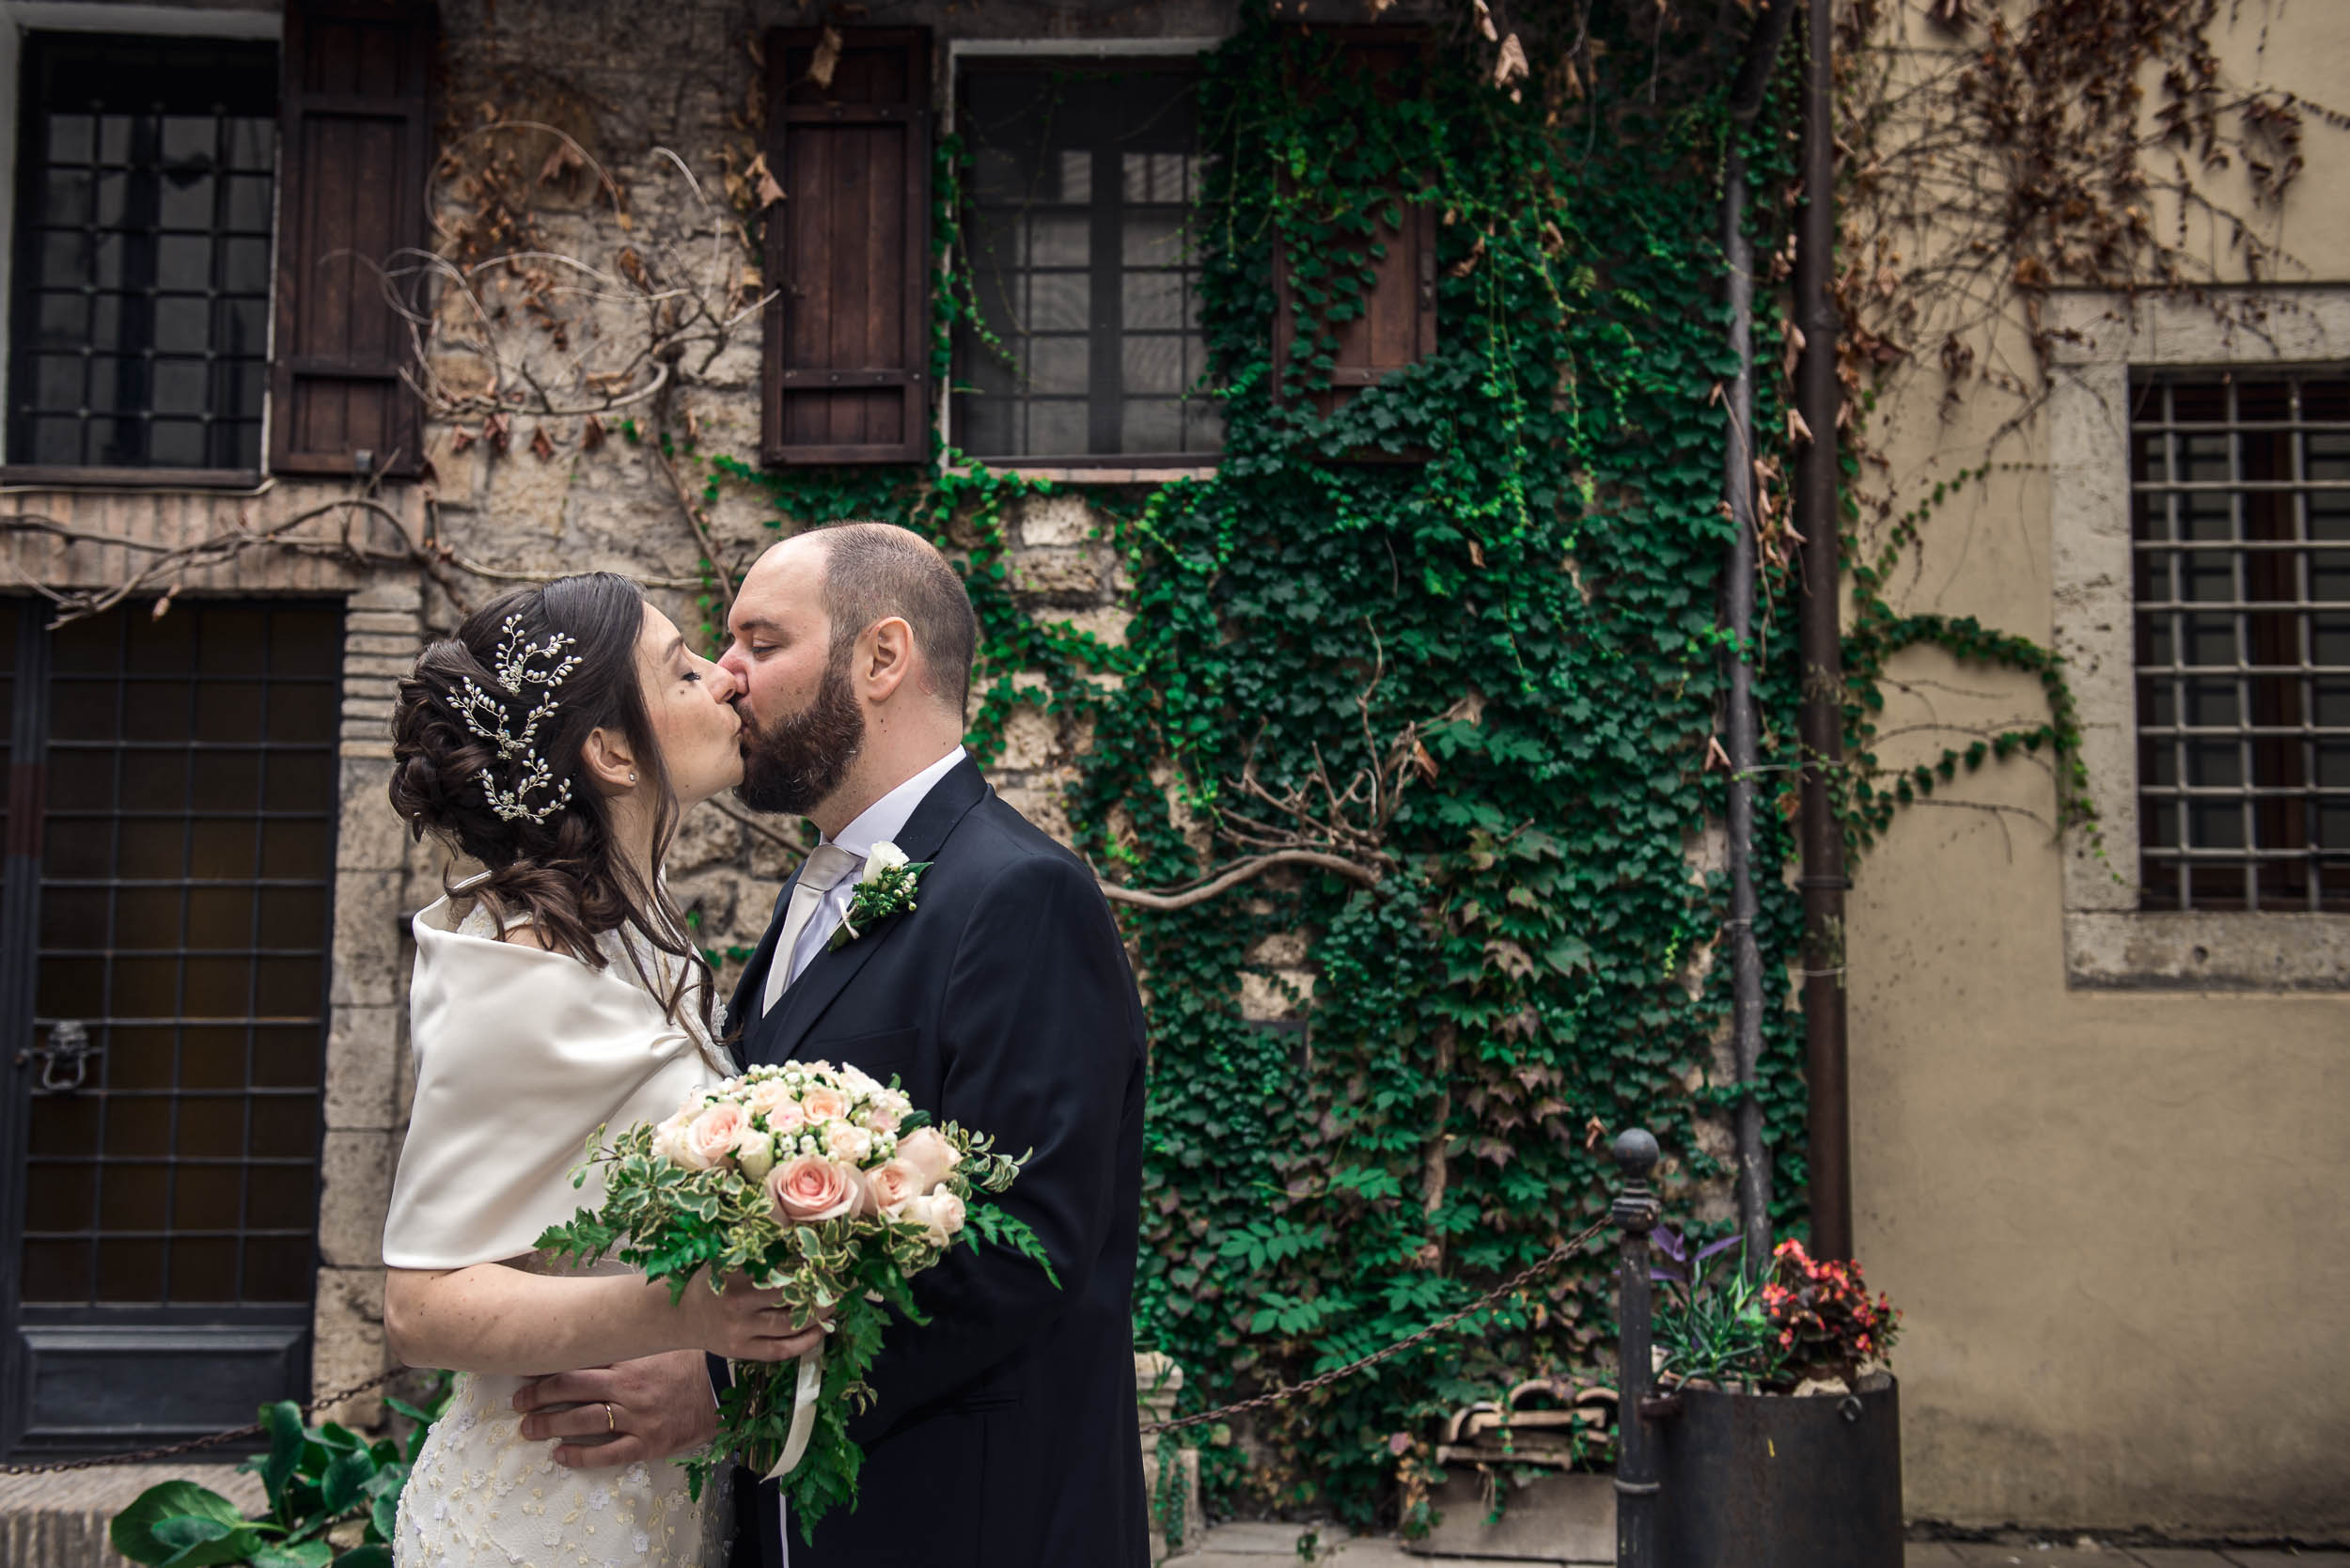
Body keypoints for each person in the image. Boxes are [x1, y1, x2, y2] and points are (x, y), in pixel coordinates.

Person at [521, 523, 1152, 1567]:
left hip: (965, 1522)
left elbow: (1022, 1252)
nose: (725, 679)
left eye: (759, 643)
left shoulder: (1021, 894)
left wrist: (722, 1388)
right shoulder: (814, 892)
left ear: (881, 658)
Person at [381, 573, 823, 1567]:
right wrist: (690, 1312)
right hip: (543, 1513)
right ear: (613, 752)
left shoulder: (640, 943)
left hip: (654, 1506)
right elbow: (422, 1302)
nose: (726, 681)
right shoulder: (526, 971)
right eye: (684, 668)